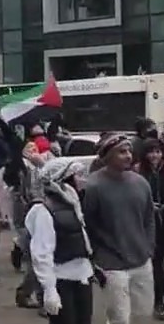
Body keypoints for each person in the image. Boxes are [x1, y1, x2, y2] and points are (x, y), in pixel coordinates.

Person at [83, 135, 155, 324]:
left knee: (143, 315)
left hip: (141, 261)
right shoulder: (94, 186)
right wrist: (99, 256)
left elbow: (149, 219)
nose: (128, 155)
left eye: (129, 151)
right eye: (122, 152)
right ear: (107, 156)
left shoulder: (141, 183)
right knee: (119, 318)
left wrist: (149, 248)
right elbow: (88, 224)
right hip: (111, 264)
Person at [26, 157, 93, 324]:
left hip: (82, 276)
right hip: (61, 279)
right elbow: (42, 253)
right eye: (76, 175)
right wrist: (49, 289)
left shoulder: (73, 203)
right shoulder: (44, 210)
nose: (81, 180)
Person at [136, 137, 164, 317]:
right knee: (156, 263)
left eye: (158, 151)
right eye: (151, 152)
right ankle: (158, 302)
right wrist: (149, 206)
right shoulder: (139, 173)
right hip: (151, 225)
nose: (155, 155)